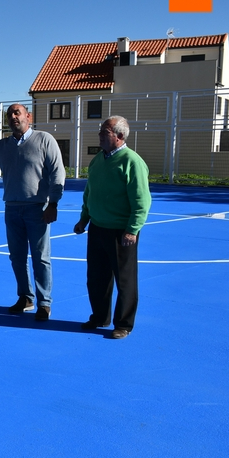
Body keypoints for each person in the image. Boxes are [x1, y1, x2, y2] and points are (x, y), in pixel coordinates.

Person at [0, 103, 65, 321]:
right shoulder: (2, 146)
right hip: (12, 209)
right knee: (17, 258)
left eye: (17, 113)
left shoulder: (44, 140)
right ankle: (25, 297)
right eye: (9, 114)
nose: (13, 117)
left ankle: (44, 303)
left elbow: (58, 173)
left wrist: (53, 204)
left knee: (41, 258)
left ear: (28, 116)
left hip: (37, 208)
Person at [73, 116, 151, 339]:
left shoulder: (132, 162)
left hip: (120, 231)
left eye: (104, 131)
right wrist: (84, 219)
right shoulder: (97, 160)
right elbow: (90, 194)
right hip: (97, 228)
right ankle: (99, 317)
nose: (99, 134)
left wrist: (132, 229)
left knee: (124, 279)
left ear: (119, 136)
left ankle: (123, 324)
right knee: (96, 278)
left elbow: (141, 201)